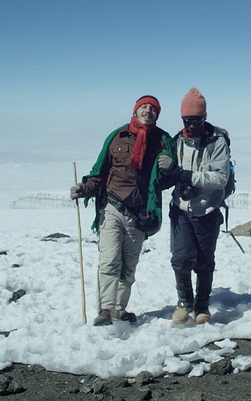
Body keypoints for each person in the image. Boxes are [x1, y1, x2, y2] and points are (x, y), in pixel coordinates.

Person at [70, 95, 175, 326]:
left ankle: (120, 308)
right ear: (136, 110)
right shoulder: (117, 136)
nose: (148, 111)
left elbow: (167, 179)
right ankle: (105, 309)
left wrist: (170, 165)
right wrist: (84, 189)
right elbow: (100, 171)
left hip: (140, 212)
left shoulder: (163, 141)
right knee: (109, 259)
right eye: (144, 107)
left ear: (157, 114)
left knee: (129, 263)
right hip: (112, 206)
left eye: (153, 109)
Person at [157, 87, 230, 325]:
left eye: (196, 120)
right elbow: (171, 176)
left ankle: (202, 307)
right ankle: (184, 303)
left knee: (204, 261)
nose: (190, 125)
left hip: (207, 210)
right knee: (180, 259)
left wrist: (182, 175)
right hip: (181, 209)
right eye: (186, 120)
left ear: (204, 117)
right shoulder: (177, 141)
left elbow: (220, 179)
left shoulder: (217, 142)